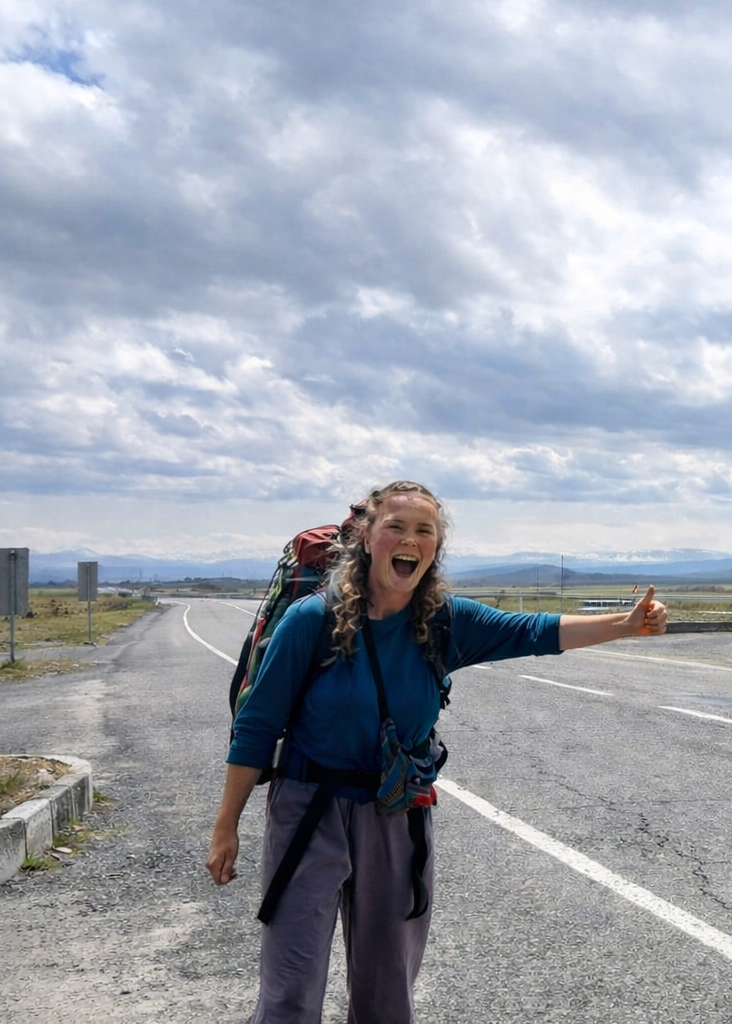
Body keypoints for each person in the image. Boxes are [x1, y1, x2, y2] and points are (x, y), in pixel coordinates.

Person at [206, 480, 667, 1024]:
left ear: (434, 548)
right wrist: (226, 826)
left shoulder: (444, 621)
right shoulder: (313, 620)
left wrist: (625, 624)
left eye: (424, 530)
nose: (410, 539)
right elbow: (257, 728)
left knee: (387, 990)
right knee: (290, 987)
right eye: (396, 526)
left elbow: (534, 631)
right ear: (368, 539)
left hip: (396, 809)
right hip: (308, 807)